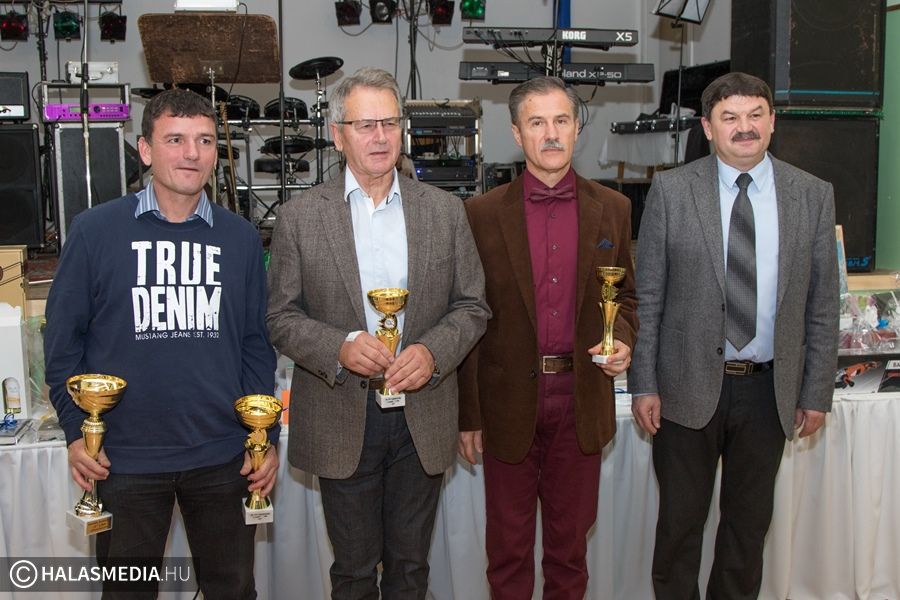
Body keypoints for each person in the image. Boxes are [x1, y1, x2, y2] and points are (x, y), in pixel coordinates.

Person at [43, 88, 277, 599]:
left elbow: (256, 347)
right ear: (146, 150)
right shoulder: (94, 231)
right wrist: (76, 431)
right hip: (123, 458)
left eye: (205, 141)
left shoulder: (240, 238)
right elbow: (61, 345)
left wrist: (267, 438)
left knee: (233, 590)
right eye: (175, 139)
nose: (192, 153)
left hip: (223, 456)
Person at [266, 67, 489, 599]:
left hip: (422, 415)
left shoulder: (445, 211)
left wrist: (433, 353)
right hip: (342, 414)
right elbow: (280, 317)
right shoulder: (300, 218)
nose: (381, 137)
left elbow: (473, 306)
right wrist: (339, 346)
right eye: (365, 125)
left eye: (390, 123)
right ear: (338, 134)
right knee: (354, 573)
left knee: (411, 570)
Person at [630, 72, 839, 599]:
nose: (744, 128)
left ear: (772, 121)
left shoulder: (812, 195)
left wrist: (816, 391)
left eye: (754, 115)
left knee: (747, 532)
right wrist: (644, 383)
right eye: (730, 117)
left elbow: (821, 305)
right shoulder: (672, 191)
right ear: (708, 127)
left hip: (769, 392)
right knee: (679, 530)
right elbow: (648, 297)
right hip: (684, 389)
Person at [458, 76, 638, 600]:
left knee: (569, 554)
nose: (551, 133)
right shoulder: (480, 214)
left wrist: (623, 338)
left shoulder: (614, 208)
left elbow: (627, 298)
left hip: (581, 401)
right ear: (517, 134)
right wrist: (468, 414)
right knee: (507, 555)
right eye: (537, 122)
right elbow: (467, 316)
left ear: (577, 128)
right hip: (506, 405)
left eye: (561, 120)